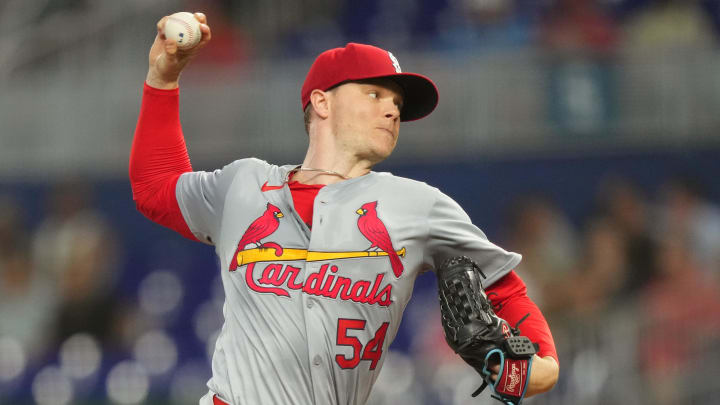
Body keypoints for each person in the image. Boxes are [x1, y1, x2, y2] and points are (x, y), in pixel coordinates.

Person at [130, 12, 559, 405]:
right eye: (374, 94)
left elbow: (506, 289)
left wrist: (541, 367)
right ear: (322, 102)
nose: (392, 109)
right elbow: (155, 187)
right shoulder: (244, 185)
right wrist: (163, 79)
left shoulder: (419, 206)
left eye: (397, 103)